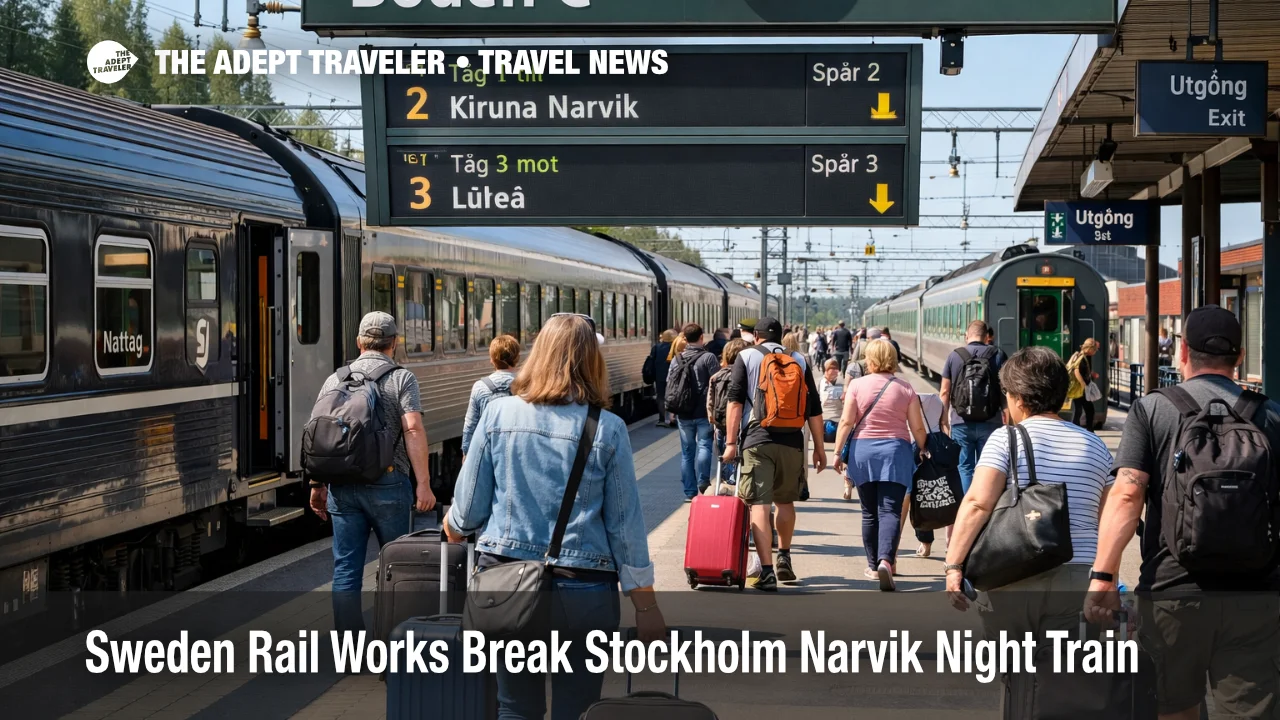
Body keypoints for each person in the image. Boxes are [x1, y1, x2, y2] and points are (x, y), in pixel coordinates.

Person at [445, 314, 665, 720]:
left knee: (514, 706)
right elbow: (625, 527)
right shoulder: (608, 428)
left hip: (507, 585)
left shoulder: (497, 415)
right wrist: (646, 606)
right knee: (579, 709)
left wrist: (454, 527)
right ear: (592, 362)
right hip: (584, 591)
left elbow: (468, 509)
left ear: (538, 354)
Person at [1085, 305, 1280, 720]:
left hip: (1173, 591)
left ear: (1183, 354)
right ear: (1240, 356)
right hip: (1256, 594)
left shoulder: (1153, 409)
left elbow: (1127, 494)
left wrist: (1103, 575)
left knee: (1175, 709)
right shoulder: (1270, 414)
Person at [945, 346, 1114, 657]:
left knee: (1013, 671)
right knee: (1064, 672)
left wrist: (954, 565)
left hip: (1013, 571)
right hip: (1077, 574)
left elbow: (978, 504)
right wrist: (1108, 578)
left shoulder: (1005, 438)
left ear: (1018, 398)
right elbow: (1109, 518)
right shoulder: (1096, 446)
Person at [308, 312, 435, 633]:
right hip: (389, 484)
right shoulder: (402, 378)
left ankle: (349, 650)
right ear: (394, 343)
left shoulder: (334, 379)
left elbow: (320, 435)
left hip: (343, 486)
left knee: (346, 570)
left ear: (359, 342)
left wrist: (317, 484)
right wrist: (424, 484)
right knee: (397, 570)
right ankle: (393, 644)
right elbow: (413, 429)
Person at [722, 317, 826, 591]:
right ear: (780, 337)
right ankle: (785, 556)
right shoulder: (799, 361)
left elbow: (734, 402)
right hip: (792, 440)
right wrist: (818, 448)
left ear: (755, 336)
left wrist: (731, 443)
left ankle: (766, 570)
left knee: (759, 504)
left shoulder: (745, 356)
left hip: (757, 439)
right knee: (786, 502)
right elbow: (813, 408)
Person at [832, 339, 929, 591]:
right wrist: (924, 447)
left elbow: (845, 422)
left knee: (869, 513)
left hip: (862, 453)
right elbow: (917, 427)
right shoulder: (905, 388)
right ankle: (887, 560)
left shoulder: (857, 385)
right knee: (891, 511)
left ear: (870, 360)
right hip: (895, 453)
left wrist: (836, 452)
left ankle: (873, 566)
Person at [940, 321, 1004, 494]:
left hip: (961, 421)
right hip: (991, 421)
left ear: (967, 336)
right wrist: (1008, 417)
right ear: (987, 337)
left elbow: (944, 392)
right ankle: (985, 510)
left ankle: (965, 508)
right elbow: (1007, 390)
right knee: (989, 467)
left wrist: (944, 420)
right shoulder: (998, 355)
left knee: (965, 467)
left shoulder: (955, 356)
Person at [668, 323, 721, 500]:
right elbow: (717, 383)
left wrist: (672, 410)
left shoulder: (677, 358)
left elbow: (670, 383)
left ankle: (690, 492)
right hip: (704, 411)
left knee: (687, 452)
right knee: (704, 445)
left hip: (684, 411)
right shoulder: (709, 358)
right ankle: (702, 483)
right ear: (701, 337)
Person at [461, 334, 521, 459]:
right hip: (519, 452)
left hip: (489, 454)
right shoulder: (528, 385)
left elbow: (470, 425)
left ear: (492, 359)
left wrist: (466, 454)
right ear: (517, 358)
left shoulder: (480, 386)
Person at [708, 339, 747, 493]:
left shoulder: (716, 376)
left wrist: (713, 421)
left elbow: (710, 404)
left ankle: (725, 490)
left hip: (721, 425)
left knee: (723, 460)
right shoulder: (746, 376)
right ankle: (739, 490)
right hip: (742, 424)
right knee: (741, 460)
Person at [1066, 338, 1100, 431]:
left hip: (1078, 389)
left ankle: (1076, 429)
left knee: (1079, 410)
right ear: (1090, 349)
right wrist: (1084, 385)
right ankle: (1090, 431)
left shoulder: (1081, 356)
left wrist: (1091, 374)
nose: (1095, 352)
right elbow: (1077, 371)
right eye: (1094, 350)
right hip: (1080, 389)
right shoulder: (1082, 358)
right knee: (1089, 410)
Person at [645, 330, 675, 427]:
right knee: (673, 397)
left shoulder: (656, 347)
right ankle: (672, 419)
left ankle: (661, 419)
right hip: (672, 376)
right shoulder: (674, 347)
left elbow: (652, 362)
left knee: (661, 397)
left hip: (660, 376)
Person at [818, 359, 844, 445]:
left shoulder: (842, 383)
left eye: (836, 369)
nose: (834, 371)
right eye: (831, 369)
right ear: (826, 370)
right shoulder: (820, 383)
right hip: (824, 420)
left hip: (838, 421)